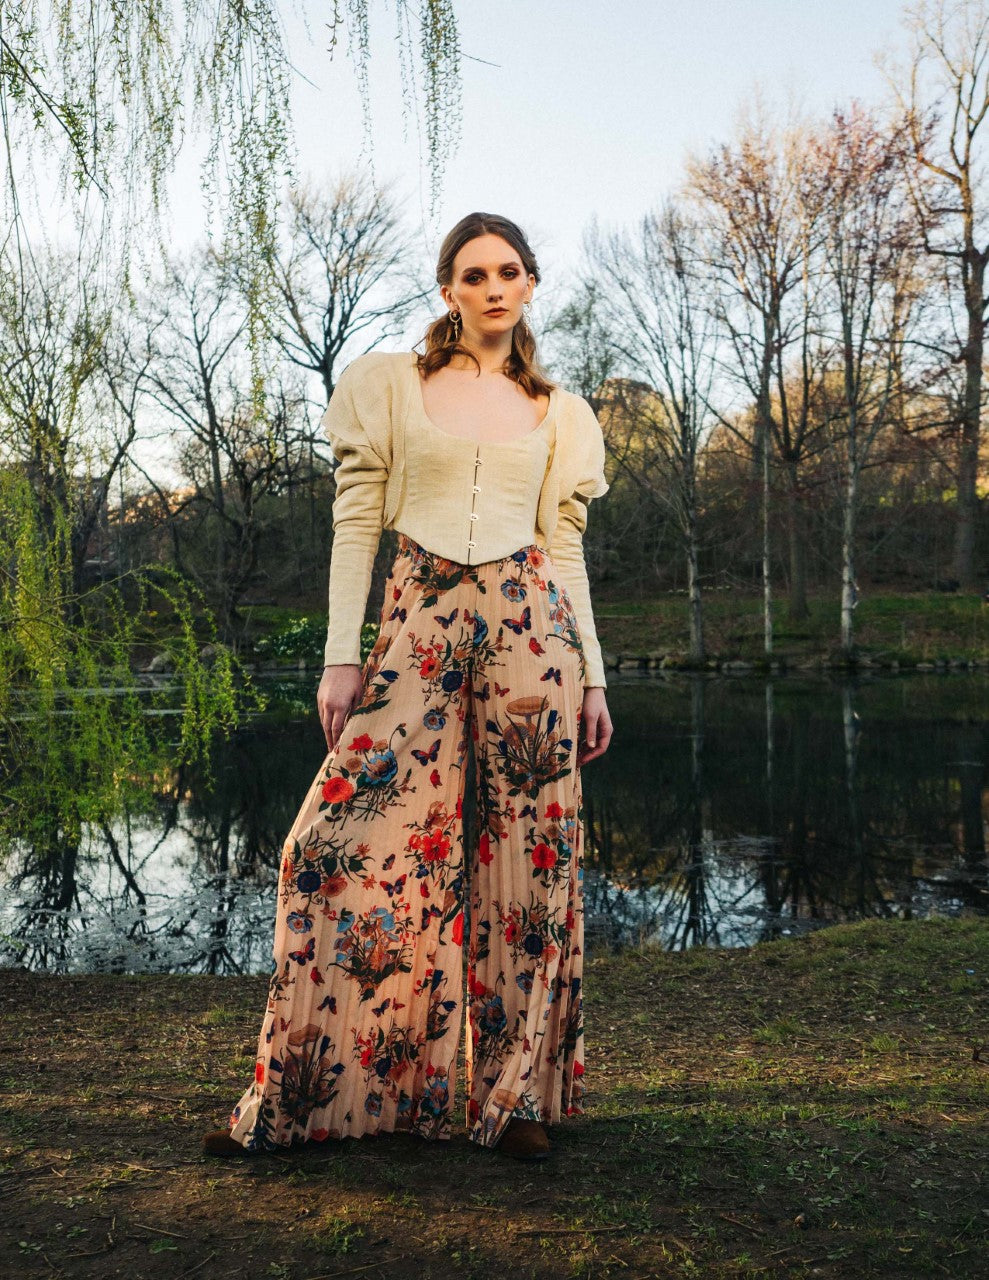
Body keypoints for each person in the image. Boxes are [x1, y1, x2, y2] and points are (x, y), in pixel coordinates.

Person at [203, 211, 613, 1162]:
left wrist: (592, 676)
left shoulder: (559, 410)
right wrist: (338, 656)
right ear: (448, 290)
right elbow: (356, 523)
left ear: (531, 284)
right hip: (415, 625)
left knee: (531, 863)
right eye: (474, 275)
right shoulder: (389, 386)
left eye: (510, 271)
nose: (494, 288)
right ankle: (324, 1097)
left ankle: (513, 1103)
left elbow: (565, 553)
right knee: (330, 844)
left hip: (531, 633)